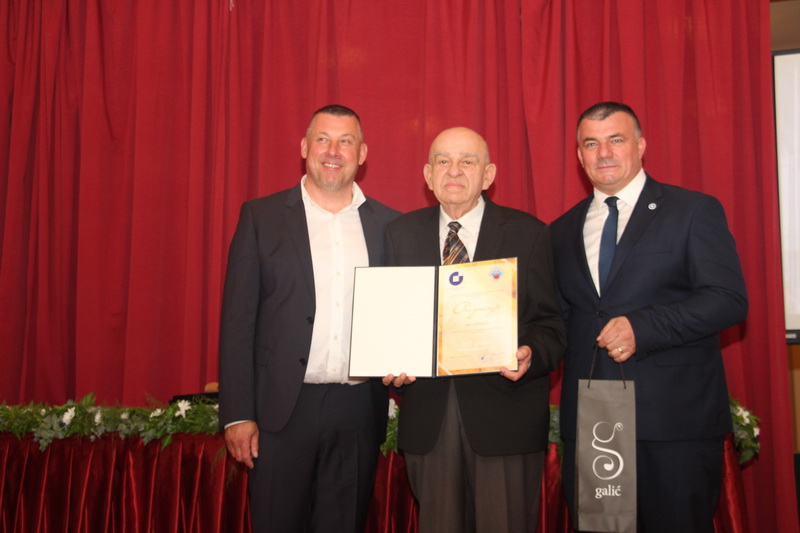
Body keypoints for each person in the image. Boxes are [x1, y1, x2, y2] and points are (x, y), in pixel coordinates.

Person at [550, 101, 748, 532]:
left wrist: (643, 326)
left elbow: (728, 299)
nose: (604, 153)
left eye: (616, 140)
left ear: (640, 145)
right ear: (579, 156)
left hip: (675, 422)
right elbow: (559, 320)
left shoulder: (692, 210)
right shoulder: (560, 231)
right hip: (594, 426)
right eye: (591, 144)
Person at [218, 104, 400, 532]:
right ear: (304, 147)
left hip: (358, 411)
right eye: (323, 139)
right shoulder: (261, 218)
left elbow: (397, 315)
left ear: (362, 154)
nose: (333, 151)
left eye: (345, 141)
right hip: (280, 412)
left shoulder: (390, 226)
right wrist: (237, 414)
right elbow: (237, 323)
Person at [383, 127, 566, 532]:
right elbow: (391, 320)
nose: (454, 170)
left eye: (468, 161)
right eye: (443, 161)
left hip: (506, 419)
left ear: (488, 175)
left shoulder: (529, 233)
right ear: (428, 175)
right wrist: (389, 361)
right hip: (428, 419)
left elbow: (552, 325)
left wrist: (531, 354)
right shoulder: (399, 235)